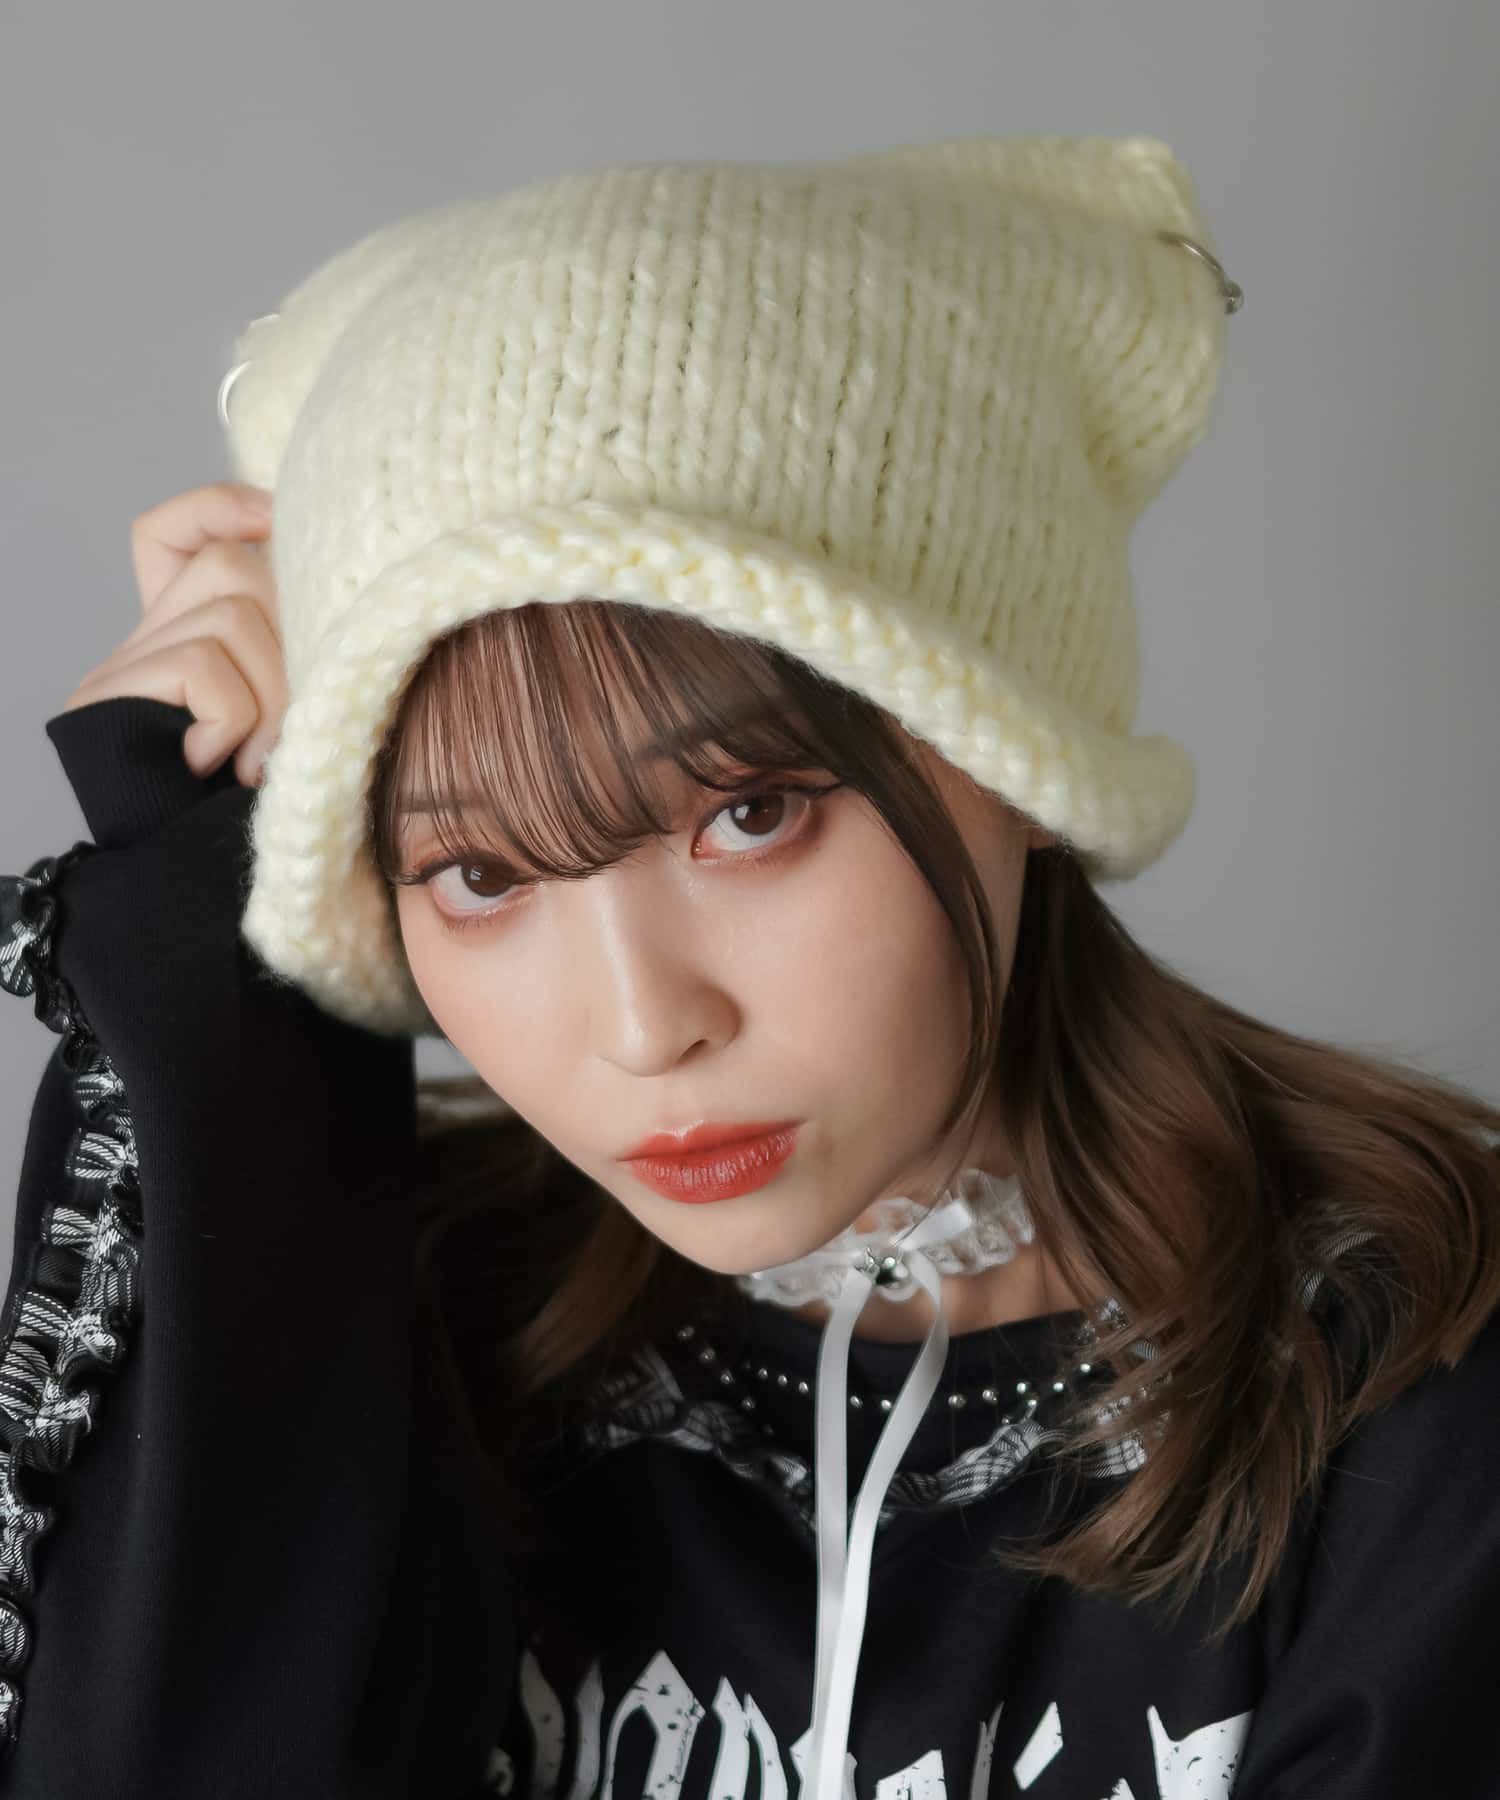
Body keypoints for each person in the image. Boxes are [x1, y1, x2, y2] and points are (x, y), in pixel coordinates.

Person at [2, 134, 1498, 1800]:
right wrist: (205, 967)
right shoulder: (419, 1311)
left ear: (1009, 742)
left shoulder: (1408, 1390)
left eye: (751, 815)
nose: (647, 1026)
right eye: (482, 874)